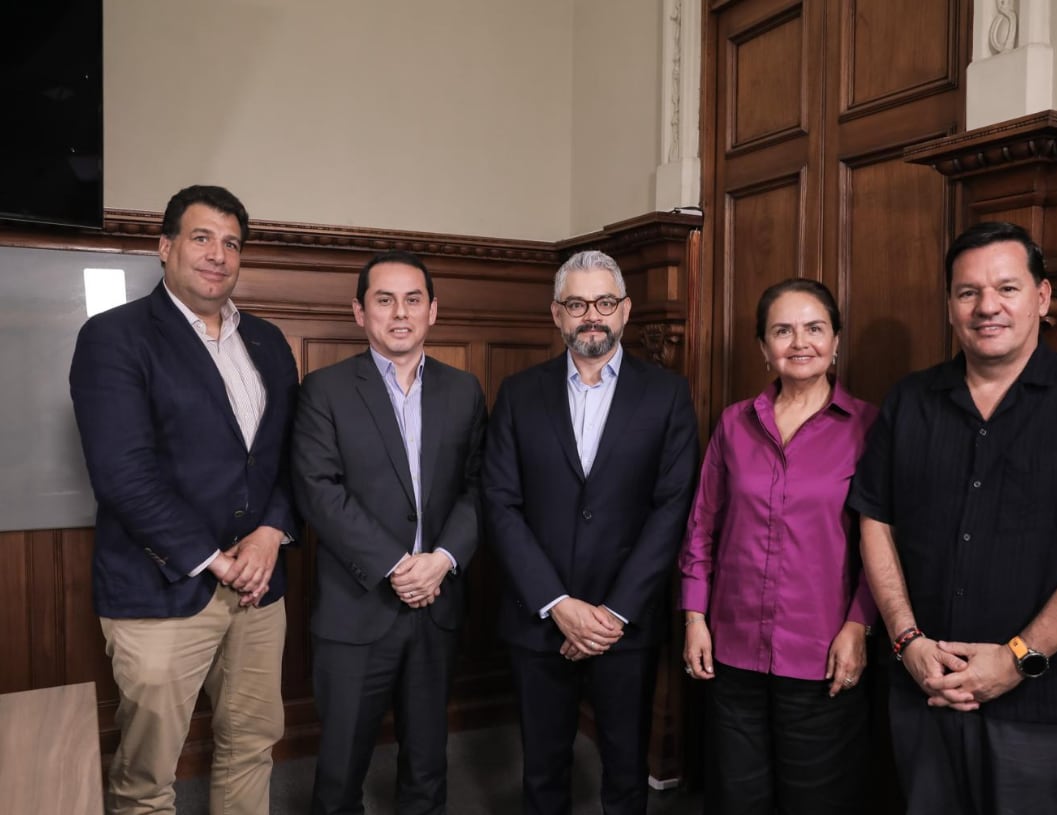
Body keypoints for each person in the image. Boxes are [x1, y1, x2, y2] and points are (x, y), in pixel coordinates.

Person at [848, 221, 1057, 814]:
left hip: (1046, 702)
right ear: (949, 304)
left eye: (1007, 288)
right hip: (926, 685)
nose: (986, 306)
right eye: (968, 292)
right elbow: (876, 521)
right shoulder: (909, 401)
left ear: (1042, 299)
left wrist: (1019, 658)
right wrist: (907, 640)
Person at [69, 184, 299, 815]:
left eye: (231, 243)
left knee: (251, 746)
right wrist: (216, 559)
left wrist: (270, 534)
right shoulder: (115, 338)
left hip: (258, 590)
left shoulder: (269, 344)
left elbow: (285, 457)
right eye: (201, 238)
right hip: (159, 588)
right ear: (164, 246)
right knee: (147, 779)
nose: (217, 255)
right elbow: (124, 474)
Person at [482, 249, 700, 815]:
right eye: (577, 304)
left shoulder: (667, 395)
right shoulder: (518, 393)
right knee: (543, 770)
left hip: (624, 624)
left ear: (625, 310)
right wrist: (556, 603)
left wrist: (614, 613)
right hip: (540, 617)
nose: (592, 315)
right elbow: (500, 503)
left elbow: (672, 507)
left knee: (626, 771)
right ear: (557, 314)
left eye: (604, 302)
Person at [291, 250, 486, 815]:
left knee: (427, 764)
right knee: (340, 769)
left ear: (432, 312)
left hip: (438, 604)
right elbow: (318, 491)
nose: (400, 313)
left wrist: (443, 559)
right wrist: (400, 567)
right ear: (359, 312)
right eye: (384, 300)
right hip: (358, 608)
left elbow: (480, 488)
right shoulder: (323, 390)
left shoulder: (464, 389)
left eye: (413, 299)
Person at [679, 278, 878, 815]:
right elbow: (702, 525)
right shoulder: (734, 423)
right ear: (763, 347)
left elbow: (883, 544)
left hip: (822, 652)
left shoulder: (869, 427)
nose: (800, 342)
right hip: (732, 648)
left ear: (837, 340)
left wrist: (859, 625)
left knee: (816, 801)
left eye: (814, 328)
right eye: (782, 331)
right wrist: (695, 616)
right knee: (736, 798)